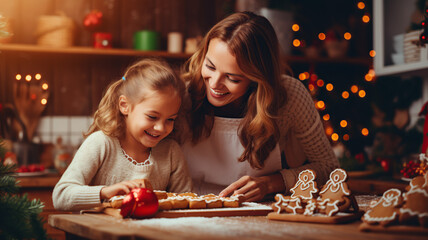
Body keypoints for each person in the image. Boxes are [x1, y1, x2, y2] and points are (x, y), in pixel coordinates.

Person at [177, 11, 339, 202]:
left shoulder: (289, 95)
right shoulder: (181, 95)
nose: (214, 84)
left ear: (257, 78)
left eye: (232, 78)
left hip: (261, 211)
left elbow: (329, 169)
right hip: (190, 209)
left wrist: (271, 183)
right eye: (210, 67)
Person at [53, 59, 192, 211]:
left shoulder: (171, 152)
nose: (160, 128)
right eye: (152, 117)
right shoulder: (101, 144)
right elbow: (61, 196)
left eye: (170, 119)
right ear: (124, 106)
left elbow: (185, 202)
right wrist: (105, 192)